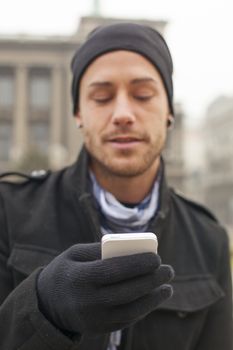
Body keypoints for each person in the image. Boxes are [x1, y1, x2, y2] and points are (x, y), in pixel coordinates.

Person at [0, 22, 232, 350]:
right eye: (102, 96)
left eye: (143, 95)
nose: (123, 114)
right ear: (78, 113)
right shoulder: (9, 212)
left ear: (169, 111)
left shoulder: (209, 240)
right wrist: (41, 309)